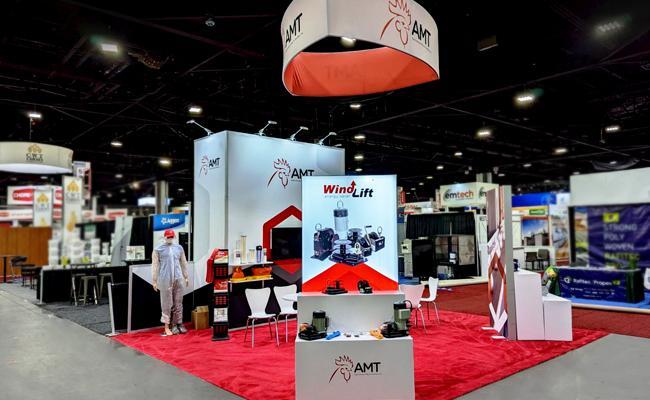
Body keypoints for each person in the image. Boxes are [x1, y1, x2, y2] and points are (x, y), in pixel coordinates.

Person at [152, 229, 190, 336]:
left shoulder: (179, 248)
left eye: (171, 237)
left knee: (178, 302)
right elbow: (155, 266)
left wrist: (186, 276)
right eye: (168, 237)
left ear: (174, 237)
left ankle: (178, 323)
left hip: (178, 278)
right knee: (166, 303)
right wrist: (154, 280)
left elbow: (183, 263)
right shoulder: (158, 249)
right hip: (165, 279)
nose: (170, 238)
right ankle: (166, 326)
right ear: (165, 237)